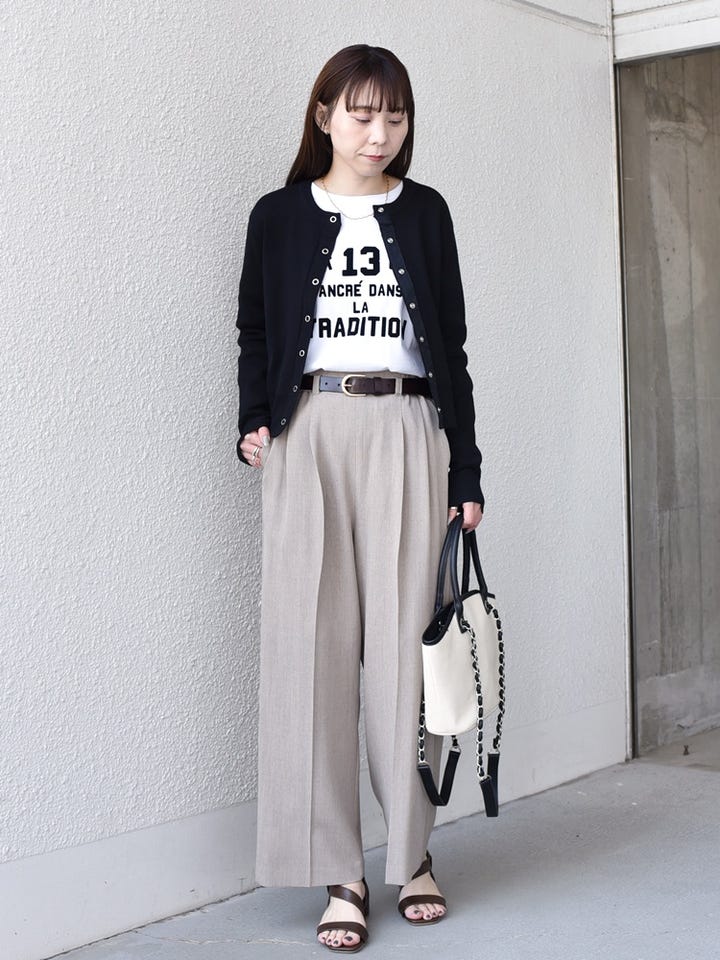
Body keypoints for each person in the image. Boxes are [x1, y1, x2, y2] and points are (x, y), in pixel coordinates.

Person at [235, 44, 484, 954]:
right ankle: (339, 870)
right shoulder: (276, 216)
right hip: (310, 433)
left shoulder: (426, 212)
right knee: (312, 653)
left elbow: (451, 345)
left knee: (405, 658)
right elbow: (255, 331)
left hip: (408, 431)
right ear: (324, 116)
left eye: (395, 117)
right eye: (362, 114)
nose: (379, 134)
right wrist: (253, 419)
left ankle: (412, 857)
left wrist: (466, 471)